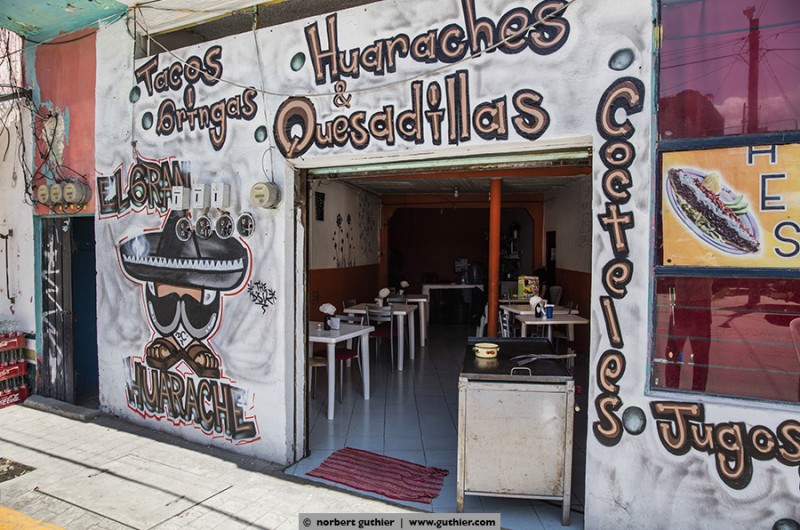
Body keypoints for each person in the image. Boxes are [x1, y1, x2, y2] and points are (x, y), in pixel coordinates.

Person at [664, 277, 713, 391]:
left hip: (691, 303)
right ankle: (680, 392)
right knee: (697, 357)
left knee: (678, 355)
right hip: (692, 303)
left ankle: (673, 392)